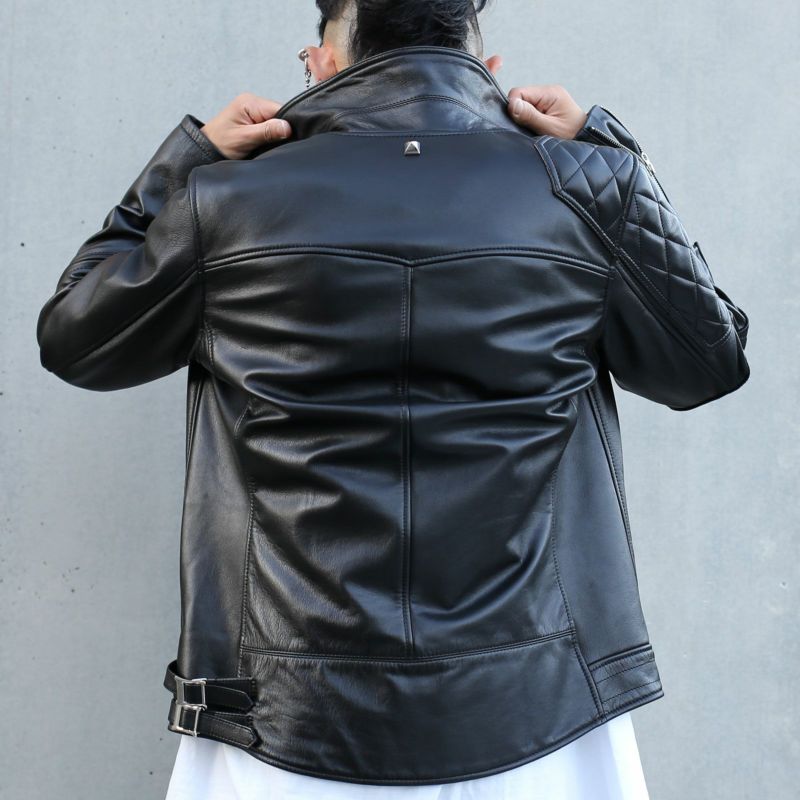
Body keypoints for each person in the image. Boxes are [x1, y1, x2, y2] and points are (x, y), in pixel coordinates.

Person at [35, 0, 750, 798]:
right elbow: (707, 363)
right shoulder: (586, 189)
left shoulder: (225, 200)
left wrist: (189, 160)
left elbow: (75, 339)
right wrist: (606, 151)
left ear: (326, 62)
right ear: (486, 67)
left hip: (284, 713)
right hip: (539, 705)